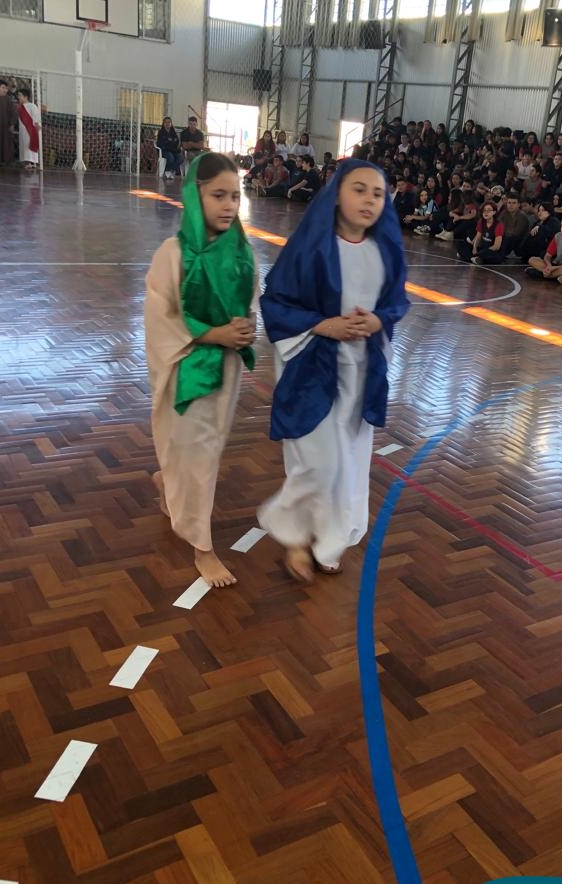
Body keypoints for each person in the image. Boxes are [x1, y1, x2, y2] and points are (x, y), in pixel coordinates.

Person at [258, 159, 409, 582]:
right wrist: (325, 326)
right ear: (337, 194)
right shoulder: (310, 248)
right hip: (312, 368)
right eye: (359, 189)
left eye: (378, 193)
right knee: (317, 461)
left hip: (361, 373)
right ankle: (293, 534)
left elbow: (396, 302)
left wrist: (378, 320)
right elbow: (276, 303)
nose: (369, 200)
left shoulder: (385, 250)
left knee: (350, 462)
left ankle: (330, 537)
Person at [144, 152, 257, 588]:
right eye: (218, 196)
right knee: (198, 456)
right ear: (196, 195)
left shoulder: (242, 253)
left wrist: (244, 329)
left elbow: (248, 300)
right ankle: (202, 548)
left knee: (201, 452)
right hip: (185, 371)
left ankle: (165, 482)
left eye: (235, 196)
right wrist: (214, 335)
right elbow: (162, 319)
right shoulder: (172, 254)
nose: (229, 205)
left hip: (225, 371)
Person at [0, 79, 15, 166]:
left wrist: (12, 124)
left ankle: (6, 160)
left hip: (6, 126)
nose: (4, 90)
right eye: (3, 88)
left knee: (6, 143)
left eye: (6, 88)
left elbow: (12, 112)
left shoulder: (8, 100)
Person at [16, 88, 41, 170]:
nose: (18, 97)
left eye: (20, 95)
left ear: (26, 97)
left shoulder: (32, 106)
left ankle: (32, 162)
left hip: (30, 129)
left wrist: (36, 125)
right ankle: (27, 162)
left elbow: (36, 117)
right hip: (23, 130)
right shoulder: (20, 107)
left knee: (30, 144)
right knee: (24, 145)